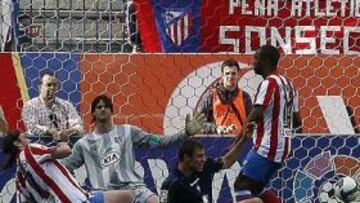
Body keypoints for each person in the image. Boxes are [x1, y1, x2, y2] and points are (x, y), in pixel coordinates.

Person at [61, 94, 206, 203]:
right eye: (99, 107)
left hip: (136, 189)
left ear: (112, 111)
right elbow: (64, 167)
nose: (103, 109)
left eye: (106, 106)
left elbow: (161, 142)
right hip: (106, 193)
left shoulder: (128, 132)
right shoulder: (84, 144)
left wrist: (185, 133)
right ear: (93, 113)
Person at [233, 45, 302, 203]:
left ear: (265, 61)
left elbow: (255, 114)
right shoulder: (289, 85)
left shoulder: (269, 84)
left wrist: (237, 140)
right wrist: (285, 141)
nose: (253, 62)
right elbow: (297, 121)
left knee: (241, 186)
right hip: (281, 148)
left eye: (256, 58)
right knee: (256, 188)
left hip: (266, 148)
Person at [1, 130, 135, 203]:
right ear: (18, 144)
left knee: (126, 196)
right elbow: (66, 151)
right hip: (74, 199)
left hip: (83, 197)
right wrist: (62, 140)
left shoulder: (19, 175)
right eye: (23, 136)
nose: (27, 137)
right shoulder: (30, 150)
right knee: (129, 196)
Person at [160, 137, 246, 203]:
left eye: (204, 155)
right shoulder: (171, 184)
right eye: (199, 156)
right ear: (186, 158)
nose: (204, 159)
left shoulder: (204, 166)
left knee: (256, 201)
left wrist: (244, 139)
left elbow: (227, 161)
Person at [22, 71, 83, 141]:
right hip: (40, 145)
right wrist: (50, 131)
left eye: (54, 85)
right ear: (40, 87)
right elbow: (32, 126)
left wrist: (66, 132)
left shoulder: (67, 105)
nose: (52, 87)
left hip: (65, 144)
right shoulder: (30, 105)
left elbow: (79, 126)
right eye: (48, 85)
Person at [198, 59, 252, 136]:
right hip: (215, 141)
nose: (230, 76)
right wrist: (215, 129)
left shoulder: (245, 97)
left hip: (239, 143)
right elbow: (198, 123)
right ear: (222, 76)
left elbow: (251, 123)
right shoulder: (210, 95)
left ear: (239, 74)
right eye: (227, 73)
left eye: (233, 73)